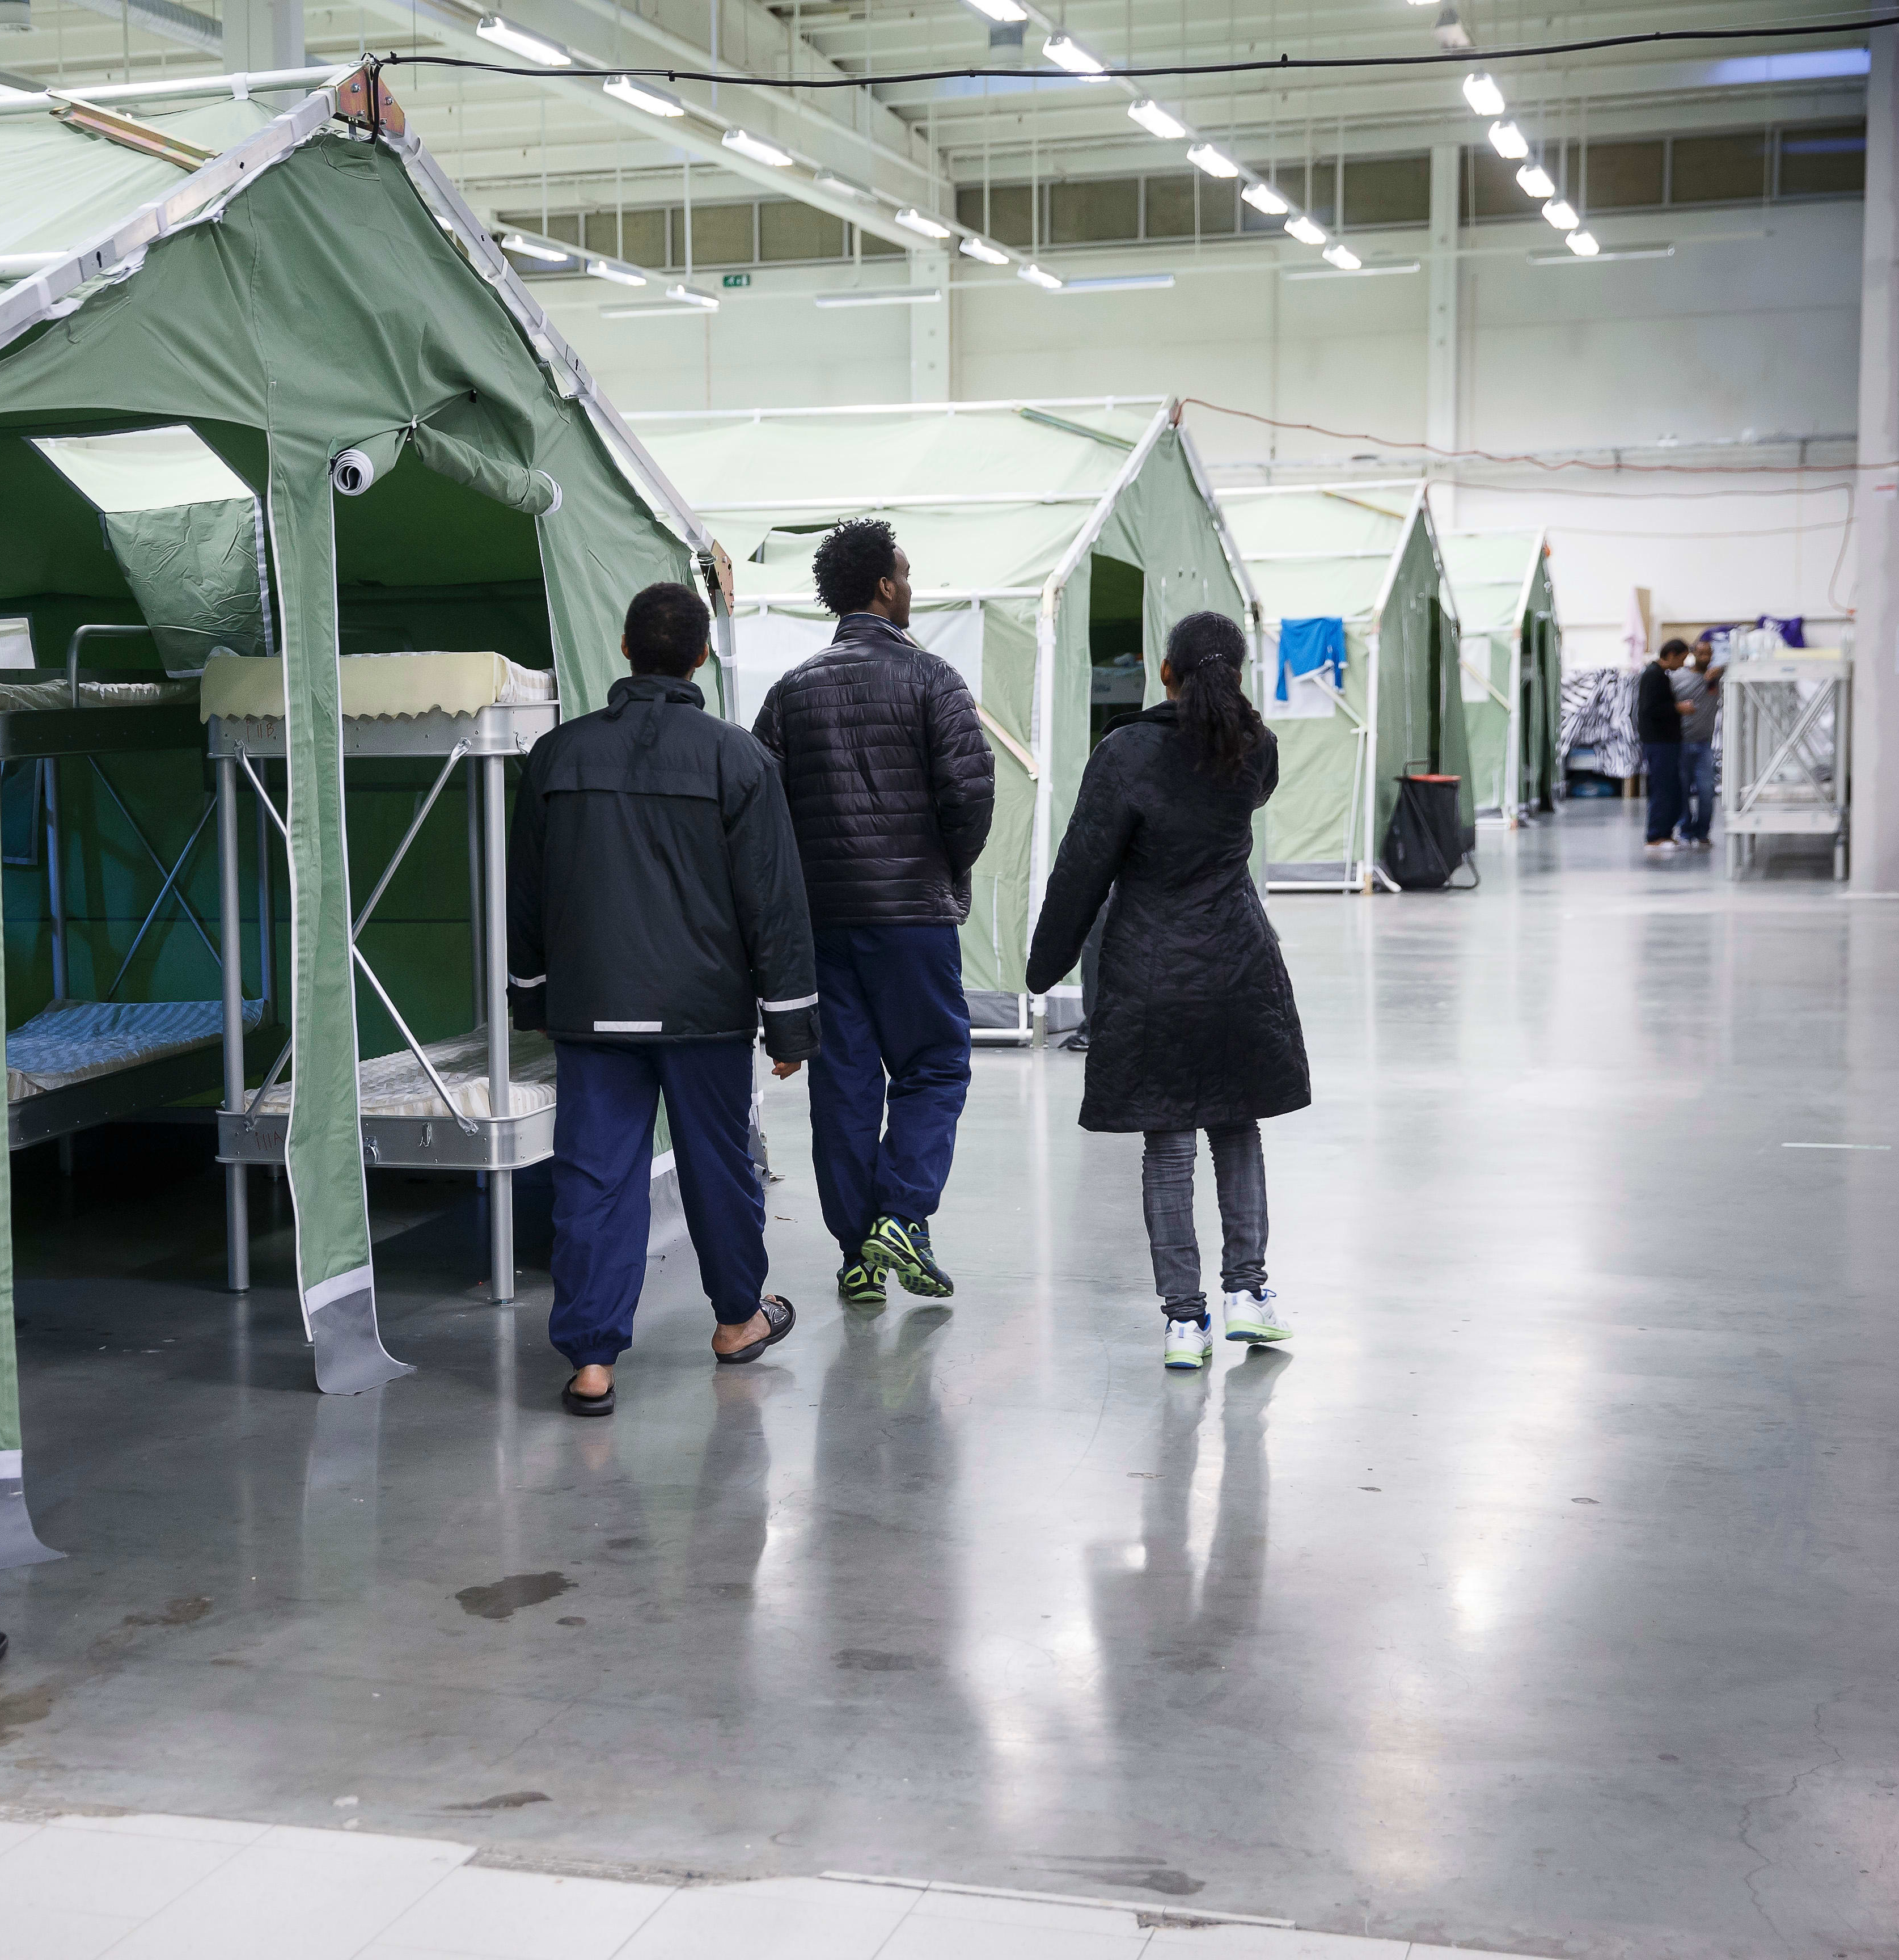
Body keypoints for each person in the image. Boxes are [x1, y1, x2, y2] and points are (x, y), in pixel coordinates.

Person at [509, 582, 815, 1417]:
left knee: (595, 1179)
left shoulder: (557, 756)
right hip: (704, 1013)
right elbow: (774, 902)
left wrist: (533, 998)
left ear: (624, 648)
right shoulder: (738, 760)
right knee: (720, 1168)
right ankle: (738, 1321)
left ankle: (592, 1364)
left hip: (592, 1007)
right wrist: (790, 1025)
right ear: (702, 656)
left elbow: (526, 894)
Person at [1023, 612, 1312, 1372]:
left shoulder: (1126, 752)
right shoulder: (1255, 749)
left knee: (1169, 1144)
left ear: (1165, 673)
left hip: (1152, 971)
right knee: (1237, 1126)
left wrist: (1045, 966)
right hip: (1238, 964)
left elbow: (1083, 866)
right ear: (1238, 675)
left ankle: (1186, 1321)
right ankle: (1248, 1293)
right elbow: (1248, 791)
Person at [751, 519, 993, 1308]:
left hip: (823, 924)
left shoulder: (790, 692)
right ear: (886, 587)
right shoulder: (933, 679)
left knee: (844, 1085)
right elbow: (970, 794)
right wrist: (942, 866)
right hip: (912, 917)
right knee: (934, 1066)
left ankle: (859, 1254)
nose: (911, 586)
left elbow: (762, 817)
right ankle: (901, 1217)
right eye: (907, 574)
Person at [1635, 640, 1688, 852]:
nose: (1682, 665)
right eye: (1682, 659)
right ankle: (1655, 835)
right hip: (1659, 743)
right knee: (1662, 788)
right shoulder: (1653, 676)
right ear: (1672, 655)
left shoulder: (1660, 675)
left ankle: (1665, 833)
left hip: (1666, 742)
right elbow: (1650, 709)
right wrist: (1677, 708)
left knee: (1670, 788)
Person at [1672, 640, 1724, 847]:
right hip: (1681, 744)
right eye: (1701, 653)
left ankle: (1702, 833)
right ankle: (1686, 831)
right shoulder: (1677, 678)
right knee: (1682, 791)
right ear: (1692, 654)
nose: (1706, 657)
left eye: (1709, 653)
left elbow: (1740, 664)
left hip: (1704, 745)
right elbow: (1665, 704)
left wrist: (1721, 668)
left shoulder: (1716, 678)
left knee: (1707, 791)